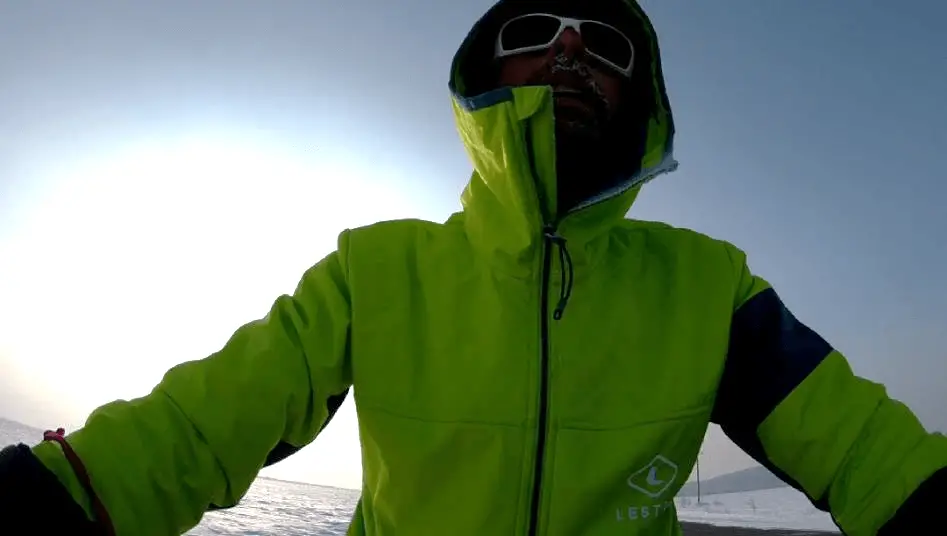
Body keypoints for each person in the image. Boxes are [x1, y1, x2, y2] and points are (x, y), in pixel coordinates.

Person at [1, 0, 945, 534]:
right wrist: (61, 494)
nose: (568, 46)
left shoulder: (709, 287)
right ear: (482, 78)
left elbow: (864, 451)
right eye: (532, 28)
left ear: (639, 95)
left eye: (605, 41)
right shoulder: (377, 272)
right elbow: (198, 428)